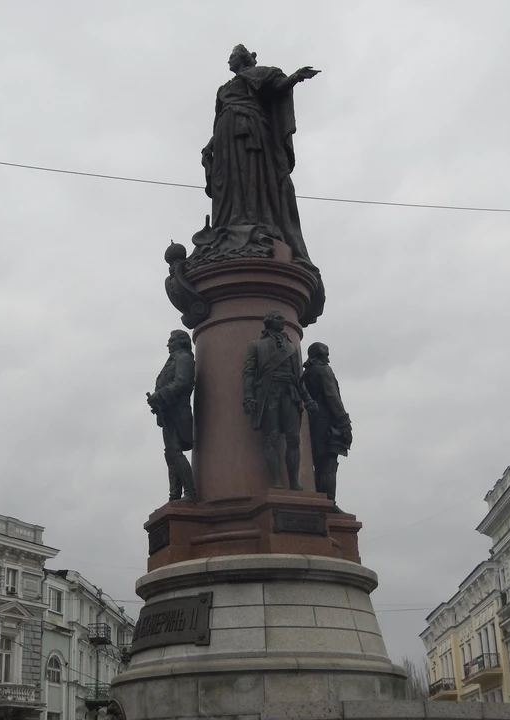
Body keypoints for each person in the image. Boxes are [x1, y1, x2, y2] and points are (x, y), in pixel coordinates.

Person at [196, 46, 325, 325]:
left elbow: (277, 87)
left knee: (251, 177)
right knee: (230, 182)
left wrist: (295, 77)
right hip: (227, 136)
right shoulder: (223, 89)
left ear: (241, 59)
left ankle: (256, 221)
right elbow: (218, 121)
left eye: (231, 56)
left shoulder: (258, 74)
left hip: (250, 130)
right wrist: (211, 146)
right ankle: (231, 224)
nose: (228, 59)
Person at [242, 310, 317, 489]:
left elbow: (299, 376)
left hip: (290, 392)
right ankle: (276, 481)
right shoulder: (256, 345)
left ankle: (294, 483)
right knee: (271, 438)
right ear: (268, 321)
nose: (283, 321)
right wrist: (248, 396)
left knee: (293, 438)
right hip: (269, 392)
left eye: (283, 318)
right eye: (278, 318)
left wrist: (308, 399)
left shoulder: (291, 347)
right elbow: (249, 372)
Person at [147, 330, 197, 502]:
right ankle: (174, 495)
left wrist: (159, 396)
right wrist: (157, 401)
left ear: (181, 341)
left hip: (178, 411)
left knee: (175, 452)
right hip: (168, 411)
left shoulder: (183, 358)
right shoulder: (172, 361)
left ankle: (190, 493)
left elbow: (182, 382)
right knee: (170, 453)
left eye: (171, 341)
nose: (168, 344)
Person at [302, 342, 353, 507]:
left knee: (319, 463)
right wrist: (344, 422)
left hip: (313, 421)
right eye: (326, 353)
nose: (328, 357)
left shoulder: (307, 373)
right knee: (329, 463)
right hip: (327, 421)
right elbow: (332, 396)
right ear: (318, 354)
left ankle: (320, 501)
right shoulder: (323, 370)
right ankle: (329, 503)